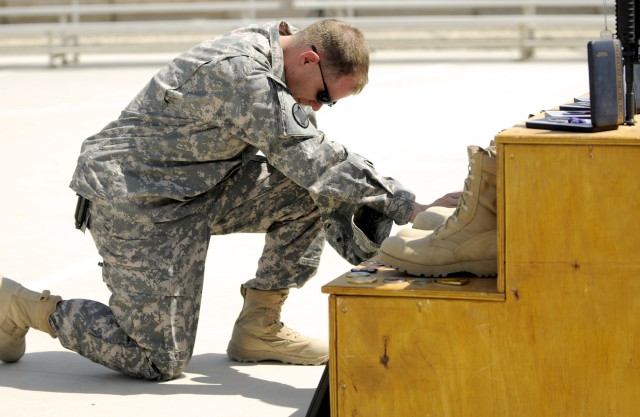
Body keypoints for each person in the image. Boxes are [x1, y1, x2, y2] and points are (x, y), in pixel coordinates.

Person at [0, 19, 457, 381]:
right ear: (308, 57)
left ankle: (260, 327)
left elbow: (312, 165)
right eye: (322, 96)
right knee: (157, 360)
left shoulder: (275, 54)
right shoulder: (240, 72)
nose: (317, 108)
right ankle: (22, 307)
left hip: (201, 183)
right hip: (136, 200)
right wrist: (412, 209)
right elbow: (316, 157)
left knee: (305, 192)